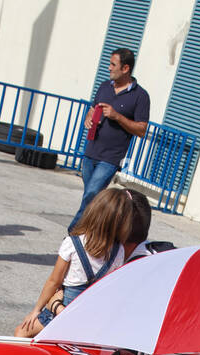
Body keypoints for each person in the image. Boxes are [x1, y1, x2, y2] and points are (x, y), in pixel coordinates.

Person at [16, 187, 133, 338]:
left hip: (63, 310)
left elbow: (54, 281)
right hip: (90, 315)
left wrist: (36, 310)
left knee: (21, 332)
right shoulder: (119, 251)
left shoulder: (73, 243)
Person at [69, 48, 149, 231]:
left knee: (91, 194)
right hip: (91, 151)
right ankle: (95, 231)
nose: (109, 68)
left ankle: (74, 232)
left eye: (113, 64)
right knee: (92, 197)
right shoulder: (104, 86)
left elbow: (141, 129)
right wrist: (88, 117)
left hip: (111, 157)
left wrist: (117, 116)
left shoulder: (140, 96)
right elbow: (92, 108)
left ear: (125, 68)